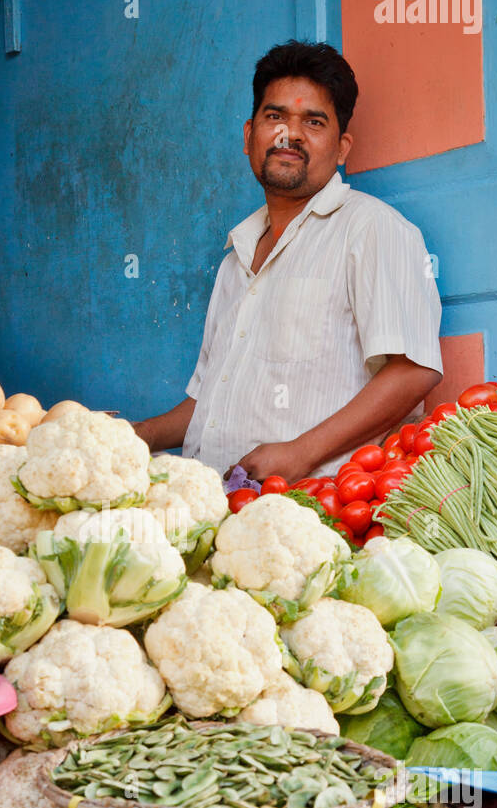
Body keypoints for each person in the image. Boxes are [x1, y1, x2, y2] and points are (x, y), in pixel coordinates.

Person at [132, 41, 443, 481]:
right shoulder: (235, 260)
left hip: (315, 511)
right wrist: (135, 435)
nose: (288, 134)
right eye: (275, 116)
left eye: (313, 122)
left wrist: (302, 453)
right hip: (215, 510)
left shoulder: (371, 229)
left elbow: (414, 370)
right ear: (248, 136)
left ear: (341, 148)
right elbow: (208, 402)